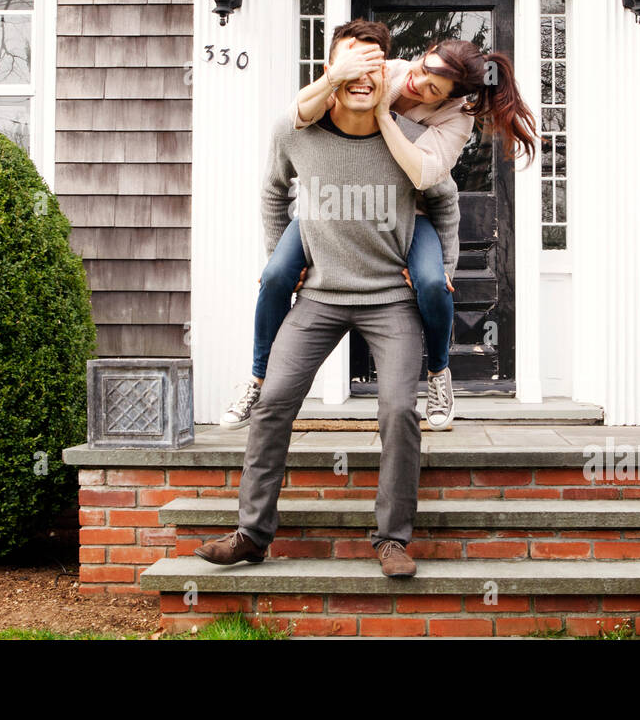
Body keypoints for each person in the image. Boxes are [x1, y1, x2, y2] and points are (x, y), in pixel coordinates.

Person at [194, 43, 460, 578]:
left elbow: (446, 197)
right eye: (351, 69)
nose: (363, 79)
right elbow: (272, 192)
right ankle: (251, 533)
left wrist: (444, 268)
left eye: (373, 69)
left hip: (390, 300)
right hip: (318, 297)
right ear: (331, 75)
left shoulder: (408, 139)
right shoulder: (298, 133)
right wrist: (280, 258)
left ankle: (391, 540)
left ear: (384, 76)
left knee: (397, 413)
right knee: (272, 404)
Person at [221, 18, 538, 430]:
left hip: (410, 213)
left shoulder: (455, 120)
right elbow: (300, 116)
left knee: (432, 284)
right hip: (332, 210)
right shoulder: (391, 70)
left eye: (432, 89)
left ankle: (440, 373)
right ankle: (258, 378)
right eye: (424, 68)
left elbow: (427, 179)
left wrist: (385, 117)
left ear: (449, 100)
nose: (417, 83)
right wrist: (335, 74)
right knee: (276, 274)